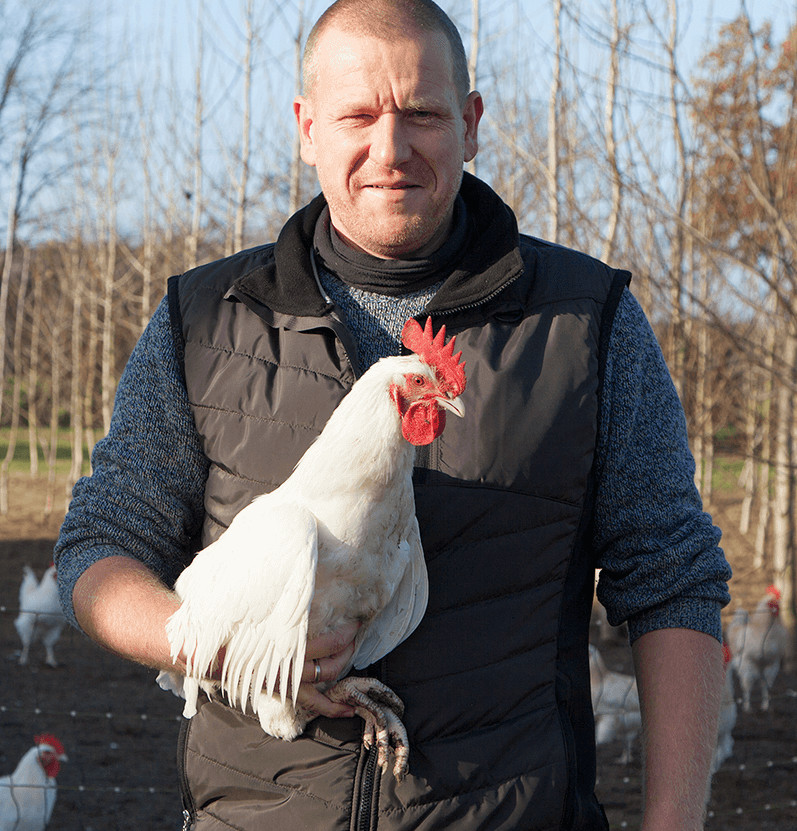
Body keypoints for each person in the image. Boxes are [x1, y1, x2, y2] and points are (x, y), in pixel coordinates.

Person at [54, 1, 732, 829]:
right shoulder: (202, 319)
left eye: (421, 112)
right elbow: (100, 544)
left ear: (471, 123)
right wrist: (209, 643)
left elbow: (673, 581)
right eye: (357, 115)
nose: (389, 147)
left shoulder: (586, 321)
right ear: (307, 128)